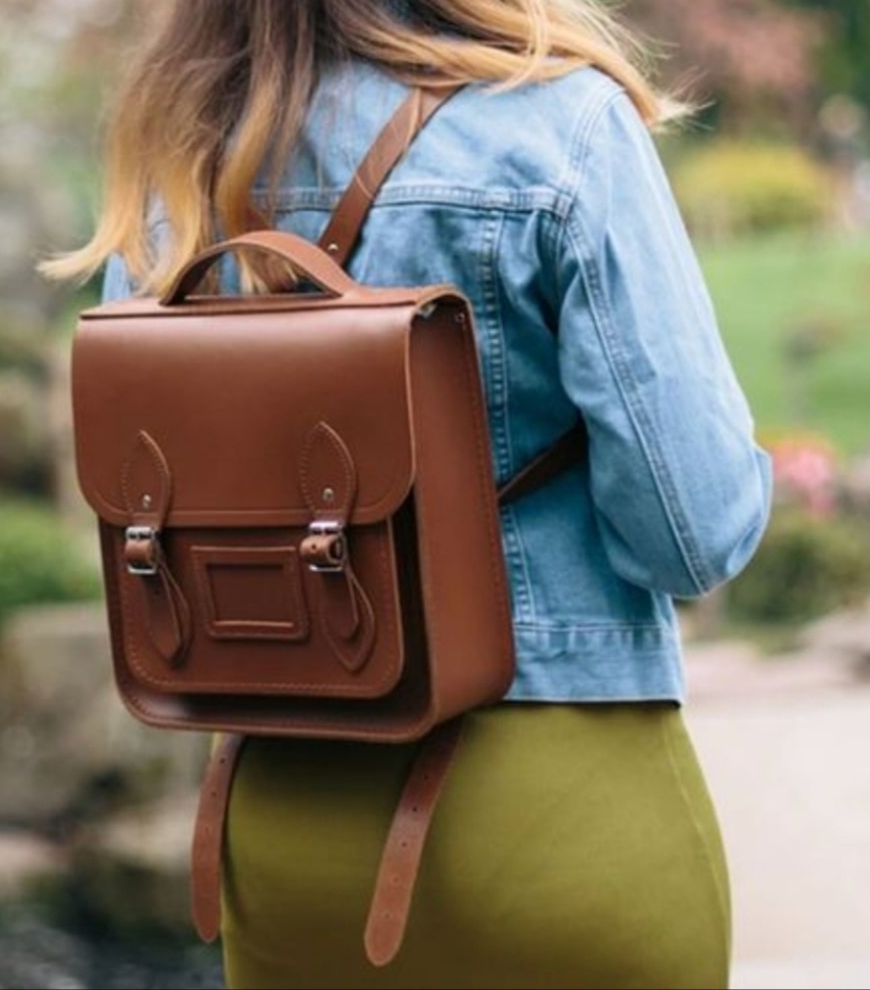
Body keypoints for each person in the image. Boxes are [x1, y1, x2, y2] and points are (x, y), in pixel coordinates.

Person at [44, 2, 773, 987]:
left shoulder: (180, 151)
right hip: (552, 816)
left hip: (281, 837)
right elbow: (695, 535)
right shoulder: (555, 122)